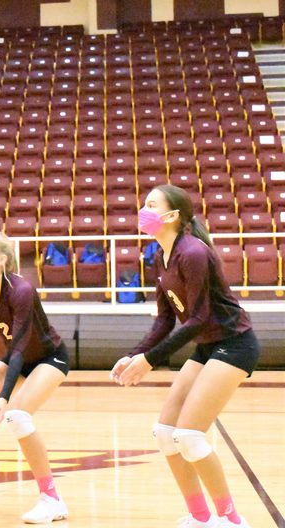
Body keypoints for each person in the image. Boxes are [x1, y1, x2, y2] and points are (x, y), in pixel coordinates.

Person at [111, 185, 259, 528]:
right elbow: (164, 319)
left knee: (189, 436)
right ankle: (200, 517)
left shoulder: (192, 252)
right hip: (209, 346)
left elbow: (199, 318)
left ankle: (232, 520)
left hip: (235, 344)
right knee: (165, 433)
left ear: (172, 215)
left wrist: (150, 361)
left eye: (151, 204)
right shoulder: (158, 257)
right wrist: (134, 354)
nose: (142, 210)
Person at [0, 231, 69, 523]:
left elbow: (19, 347)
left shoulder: (21, 290)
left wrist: (4, 398)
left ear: (2, 259)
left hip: (49, 357)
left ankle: (52, 499)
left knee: (17, 416)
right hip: (15, 359)